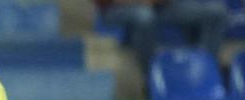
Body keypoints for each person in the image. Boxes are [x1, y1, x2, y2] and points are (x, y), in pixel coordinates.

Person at [95, 0, 227, 74]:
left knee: (216, 12)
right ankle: (151, 75)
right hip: (118, 8)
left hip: (163, 7)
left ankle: (205, 69)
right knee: (145, 17)